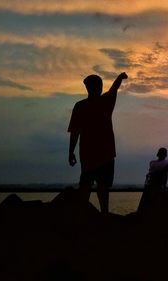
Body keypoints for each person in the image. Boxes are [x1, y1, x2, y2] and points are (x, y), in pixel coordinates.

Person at [68, 72, 128, 214]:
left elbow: (74, 132)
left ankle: (84, 213)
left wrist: (71, 152)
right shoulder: (105, 101)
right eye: (99, 85)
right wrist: (119, 78)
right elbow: (114, 88)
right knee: (101, 186)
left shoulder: (80, 106)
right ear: (98, 87)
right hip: (104, 153)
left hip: (89, 153)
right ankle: (104, 213)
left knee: (87, 185)